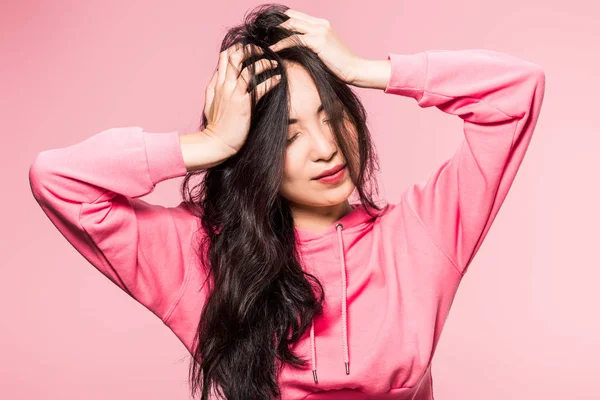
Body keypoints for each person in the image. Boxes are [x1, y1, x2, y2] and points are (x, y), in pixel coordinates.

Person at [28, 4, 546, 400]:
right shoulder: (201, 255)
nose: (327, 148)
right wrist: (209, 144)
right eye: (290, 136)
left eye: (330, 114)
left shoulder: (419, 233)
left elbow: (517, 91)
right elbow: (59, 180)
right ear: (254, 154)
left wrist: (366, 69)